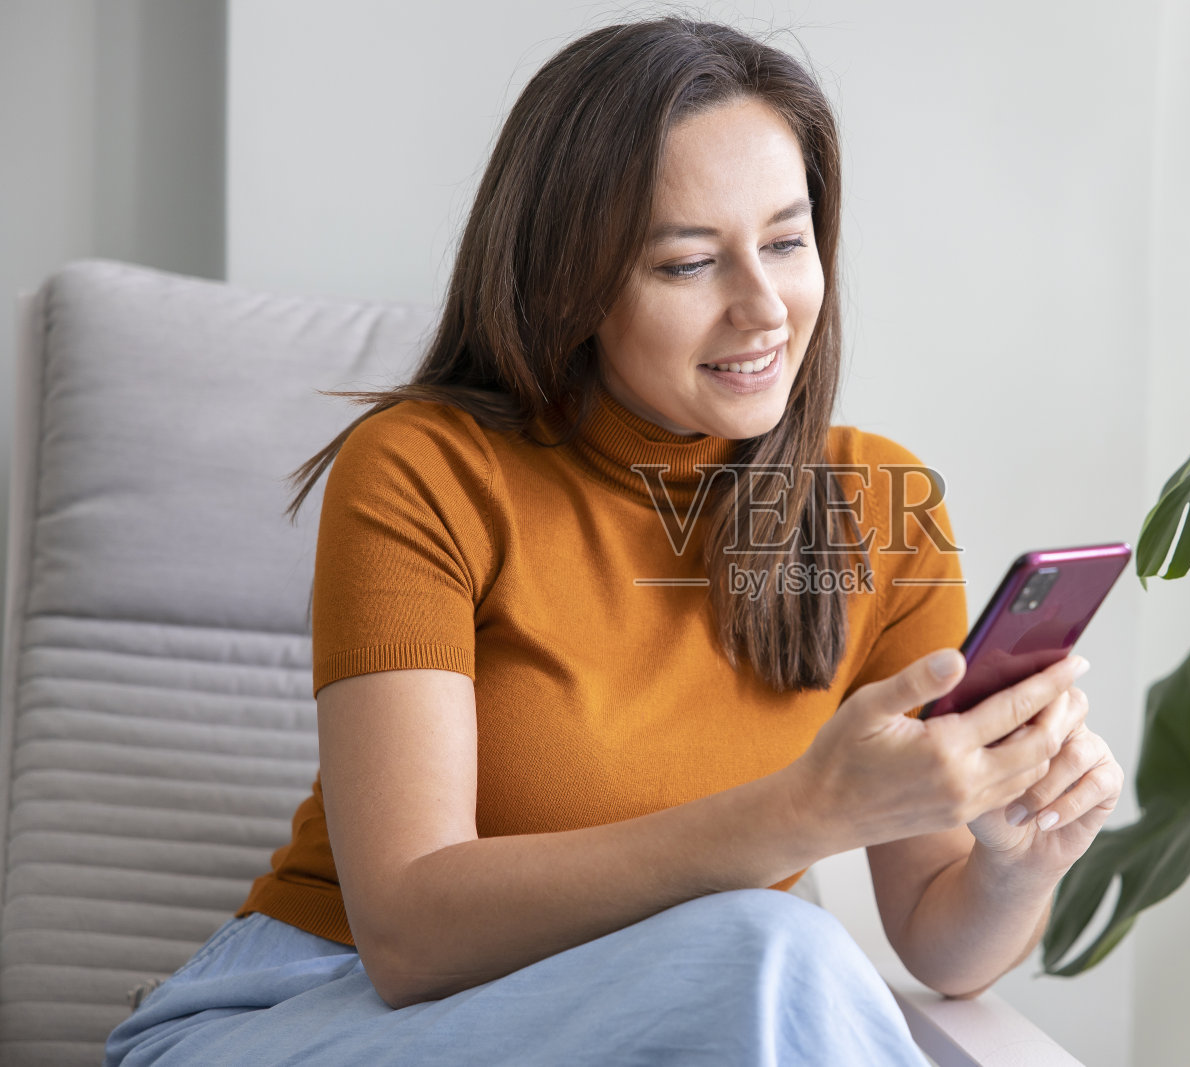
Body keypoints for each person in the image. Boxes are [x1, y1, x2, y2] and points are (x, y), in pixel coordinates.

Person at [103, 16, 1123, 1066]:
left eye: (786, 241)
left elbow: (940, 943)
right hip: (313, 1010)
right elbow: (406, 931)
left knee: (764, 956)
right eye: (689, 263)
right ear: (570, 283)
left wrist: (1014, 864)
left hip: (665, 1022)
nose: (764, 307)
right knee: (769, 947)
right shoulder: (422, 469)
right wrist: (806, 808)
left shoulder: (879, 505)